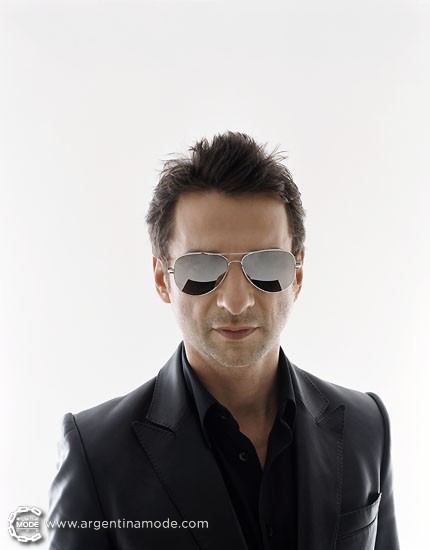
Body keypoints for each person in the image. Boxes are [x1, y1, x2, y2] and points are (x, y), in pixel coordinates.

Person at [48, 132, 400, 550]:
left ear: (298, 276)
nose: (236, 301)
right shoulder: (96, 454)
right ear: (162, 279)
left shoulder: (366, 426)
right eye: (202, 267)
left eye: (266, 264)